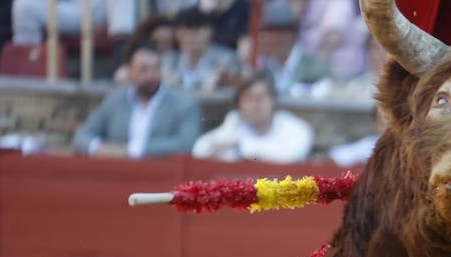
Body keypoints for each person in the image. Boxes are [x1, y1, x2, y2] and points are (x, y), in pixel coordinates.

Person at [72, 42, 201, 159]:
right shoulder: (115, 100)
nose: (151, 75)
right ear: (129, 72)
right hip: (117, 173)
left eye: (156, 68)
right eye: (143, 70)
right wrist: (99, 148)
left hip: (161, 175)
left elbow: (187, 143)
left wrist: (134, 150)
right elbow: (82, 135)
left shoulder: (183, 103)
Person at [192, 72, 314, 163]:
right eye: (248, 99)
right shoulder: (235, 121)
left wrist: (240, 148)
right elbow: (199, 150)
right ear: (239, 103)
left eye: (260, 98)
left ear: (273, 100)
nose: (255, 104)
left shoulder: (294, 126)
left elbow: (293, 155)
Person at [255, 1, 331, 98]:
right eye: (271, 33)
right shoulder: (263, 71)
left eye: (281, 33)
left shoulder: (315, 67)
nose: (275, 39)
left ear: (294, 35)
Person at [163, 7, 243, 92]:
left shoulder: (228, 59)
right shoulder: (167, 61)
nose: (192, 38)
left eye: (197, 33)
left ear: (210, 32)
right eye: (186, 33)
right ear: (177, 34)